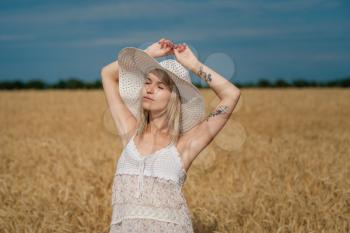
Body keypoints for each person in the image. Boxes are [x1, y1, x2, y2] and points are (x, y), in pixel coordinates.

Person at [101, 38, 241, 233]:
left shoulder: (184, 145)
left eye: (160, 87)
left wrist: (194, 65)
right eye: (147, 82)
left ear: (175, 98)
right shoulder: (130, 133)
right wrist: (147, 54)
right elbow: (107, 74)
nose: (149, 89)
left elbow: (231, 95)